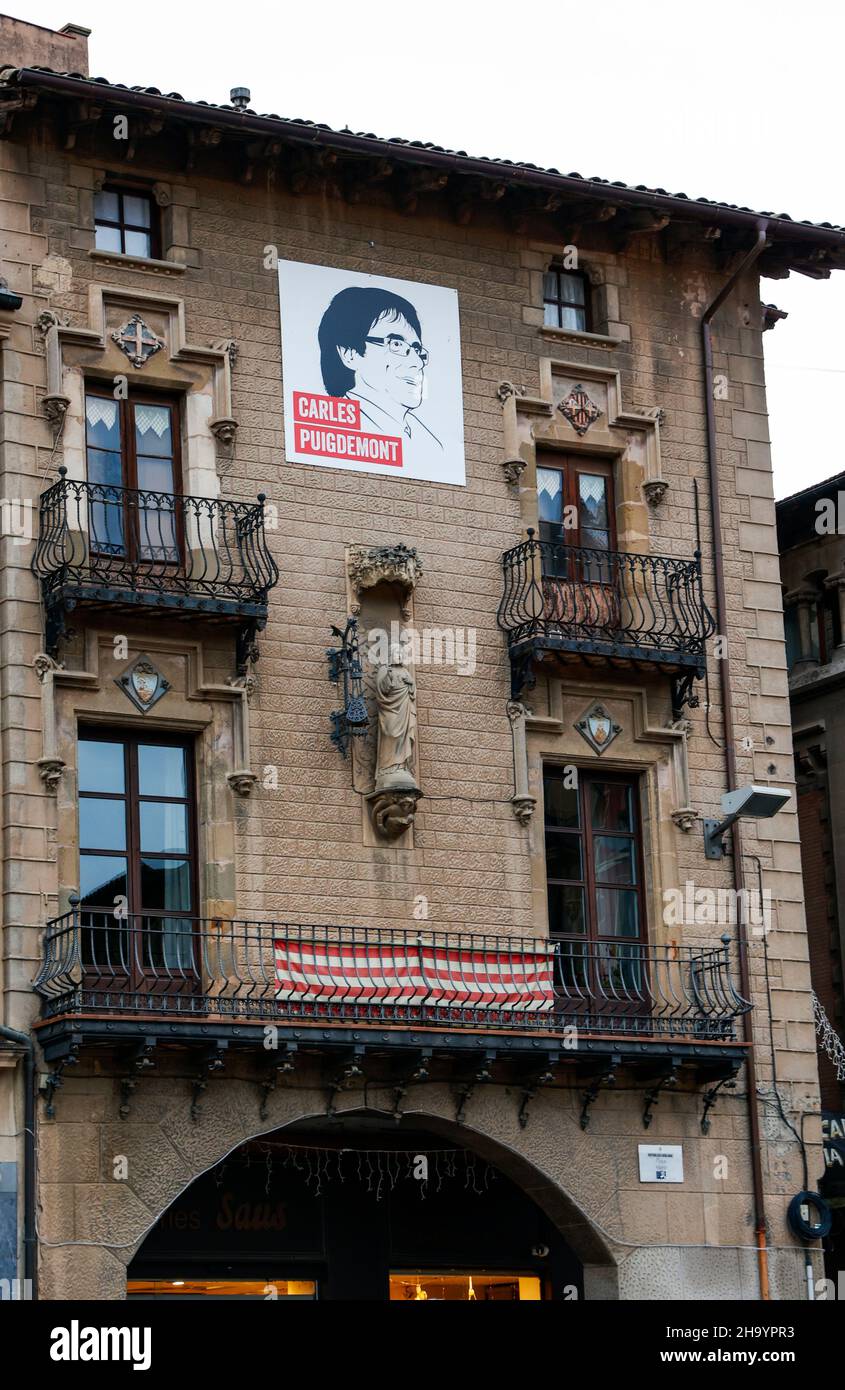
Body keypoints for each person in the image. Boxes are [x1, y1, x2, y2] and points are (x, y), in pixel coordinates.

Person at [318, 286, 443, 464]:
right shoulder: (334, 429)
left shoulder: (430, 442)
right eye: (397, 344)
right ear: (350, 354)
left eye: (417, 349)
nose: (417, 362)